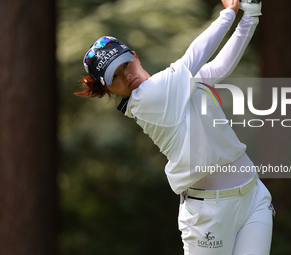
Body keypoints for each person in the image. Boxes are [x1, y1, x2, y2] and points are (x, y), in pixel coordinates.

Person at [76, 0, 274, 254]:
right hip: (209, 215)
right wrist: (230, 12)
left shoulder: (175, 86)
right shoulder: (146, 98)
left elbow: (219, 68)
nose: (125, 76)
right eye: (114, 77)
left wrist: (251, 17)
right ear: (108, 90)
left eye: (125, 65)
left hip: (252, 194)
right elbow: (195, 56)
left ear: (134, 56)